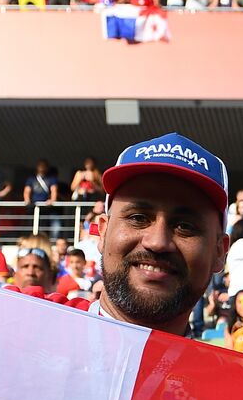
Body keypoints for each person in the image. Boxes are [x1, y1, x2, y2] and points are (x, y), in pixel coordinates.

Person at [93, 131, 230, 336]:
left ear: (219, 252)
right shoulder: (31, 318)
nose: (157, 242)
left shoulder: (221, 370)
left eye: (185, 226)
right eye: (138, 218)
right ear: (103, 232)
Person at [23, 158, 62, 239]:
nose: (42, 167)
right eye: (40, 166)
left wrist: (52, 200)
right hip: (34, 206)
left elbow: (54, 190)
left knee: (44, 227)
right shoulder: (32, 179)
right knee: (32, 225)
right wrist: (27, 199)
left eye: (44, 166)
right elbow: (27, 191)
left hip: (46, 207)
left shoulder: (51, 178)